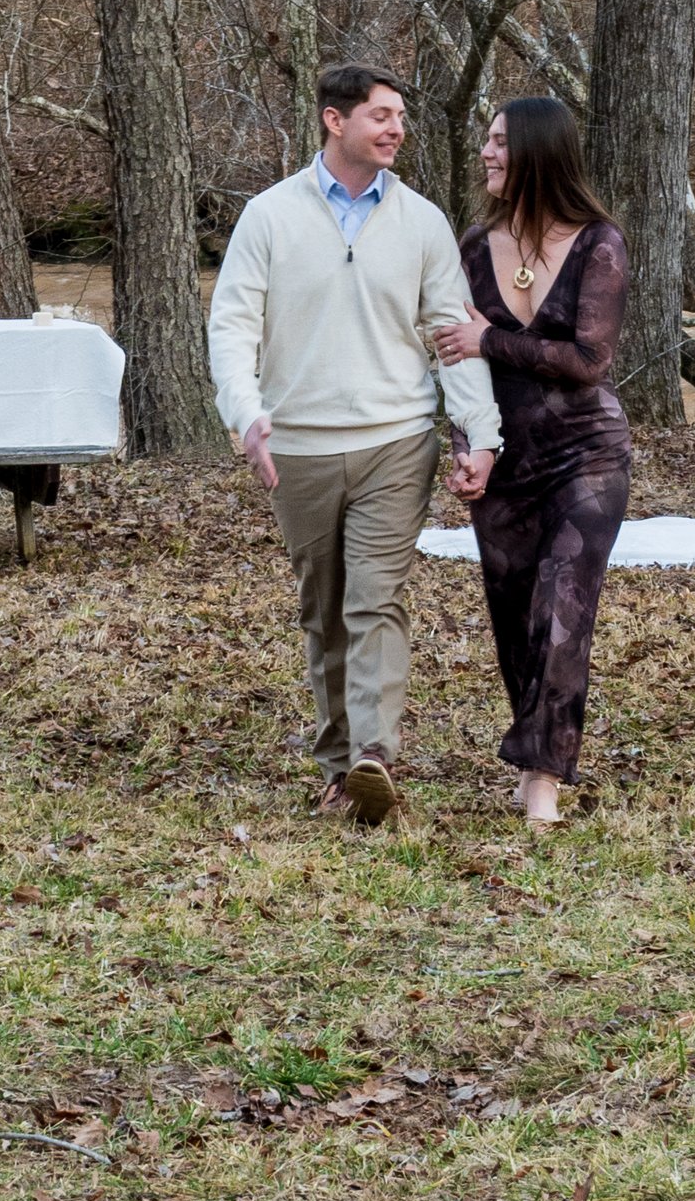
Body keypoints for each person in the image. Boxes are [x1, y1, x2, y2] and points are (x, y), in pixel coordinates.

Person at [209, 64, 500, 825]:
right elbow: (233, 327)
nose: (396, 127)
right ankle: (339, 766)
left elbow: (452, 337)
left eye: (400, 114)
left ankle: (373, 754)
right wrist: (246, 415)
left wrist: (477, 434)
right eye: (380, 114)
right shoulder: (269, 216)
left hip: (396, 442)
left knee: (376, 600)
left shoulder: (423, 221)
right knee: (325, 609)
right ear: (334, 121)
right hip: (297, 446)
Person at [432, 98, 631, 828]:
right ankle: (534, 744)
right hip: (505, 457)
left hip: (587, 454)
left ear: (539, 154)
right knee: (514, 612)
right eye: (485, 140)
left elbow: (588, 360)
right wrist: (466, 448)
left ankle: (546, 772)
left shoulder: (598, 243)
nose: (486, 154)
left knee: (563, 606)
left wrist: (492, 339)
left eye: (499, 144)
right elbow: (456, 363)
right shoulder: (473, 245)